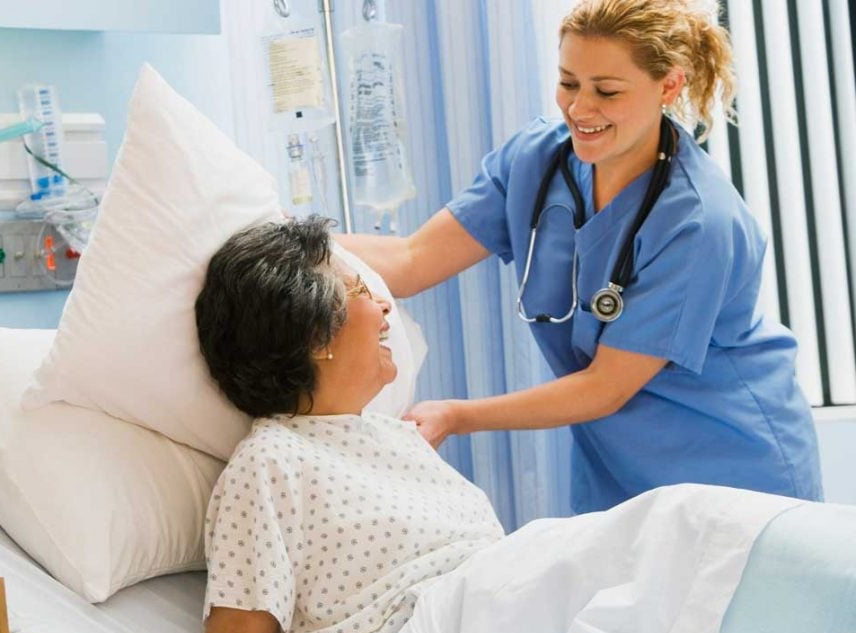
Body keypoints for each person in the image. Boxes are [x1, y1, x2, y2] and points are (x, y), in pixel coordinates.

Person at [337, 0, 822, 514]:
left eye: (607, 91)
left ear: (669, 86)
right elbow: (413, 260)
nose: (580, 108)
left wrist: (457, 415)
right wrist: (286, 235)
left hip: (732, 469)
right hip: (620, 469)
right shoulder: (536, 160)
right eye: (569, 83)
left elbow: (604, 387)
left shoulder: (696, 221)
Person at [195, 216, 505, 633]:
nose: (384, 307)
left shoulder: (394, 438)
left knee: (653, 529)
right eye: (361, 290)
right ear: (317, 335)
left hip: (500, 609)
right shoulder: (271, 463)